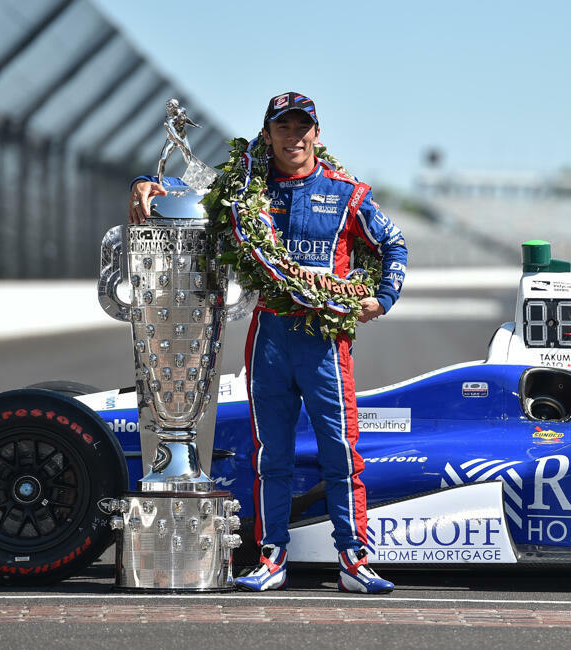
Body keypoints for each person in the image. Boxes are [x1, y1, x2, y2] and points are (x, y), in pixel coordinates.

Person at [128, 92, 407, 594]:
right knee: (270, 455)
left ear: (317, 134)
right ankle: (272, 556)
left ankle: (353, 559)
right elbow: (188, 184)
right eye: (284, 127)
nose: (294, 136)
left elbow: (392, 244)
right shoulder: (245, 190)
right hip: (271, 336)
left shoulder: (348, 194)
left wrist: (383, 298)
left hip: (324, 341)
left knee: (341, 452)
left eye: (304, 127)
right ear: (269, 133)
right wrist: (145, 183)